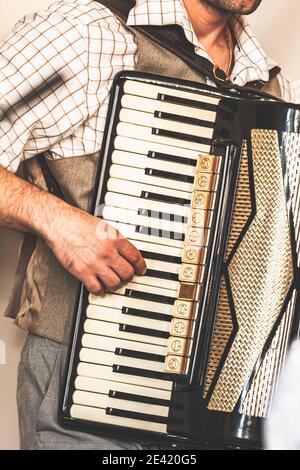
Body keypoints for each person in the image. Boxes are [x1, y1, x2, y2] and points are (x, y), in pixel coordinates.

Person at [0, 0, 296, 450]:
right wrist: (58, 222)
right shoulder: (85, 34)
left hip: (220, 414)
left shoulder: (274, 88)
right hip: (86, 393)